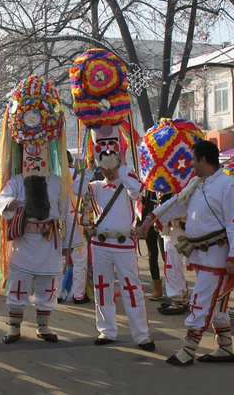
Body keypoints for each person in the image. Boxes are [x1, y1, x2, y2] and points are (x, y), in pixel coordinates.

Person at [136, 140, 234, 366]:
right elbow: (178, 204)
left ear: (203, 160)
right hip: (203, 255)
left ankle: (188, 350)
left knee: (200, 302)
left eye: (193, 160)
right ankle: (225, 348)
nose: (191, 165)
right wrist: (150, 218)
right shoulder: (198, 184)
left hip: (219, 258)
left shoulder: (229, 185)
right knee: (216, 305)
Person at [0, 75, 72, 345]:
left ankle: (43, 326)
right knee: (19, 284)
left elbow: (68, 213)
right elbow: (0, 200)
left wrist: (70, 245)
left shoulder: (56, 182)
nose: (34, 155)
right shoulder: (16, 181)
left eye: (39, 149)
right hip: (23, 241)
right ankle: (14, 328)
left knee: (48, 285)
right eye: (30, 150)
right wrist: (11, 204)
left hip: (49, 241)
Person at [75, 148, 155, 352]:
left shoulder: (127, 184)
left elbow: (137, 190)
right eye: (105, 168)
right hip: (101, 244)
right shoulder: (96, 186)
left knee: (132, 288)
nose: (108, 172)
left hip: (123, 243)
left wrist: (121, 168)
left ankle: (141, 334)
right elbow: (76, 189)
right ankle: (107, 330)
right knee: (102, 288)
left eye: (111, 168)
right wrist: (89, 167)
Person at [59, 150, 90, 304]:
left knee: (59, 258)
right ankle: (78, 294)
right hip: (77, 221)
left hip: (58, 222)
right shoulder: (79, 174)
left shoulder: (54, 176)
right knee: (80, 260)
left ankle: (56, 293)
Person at [155, 192, 189, 315]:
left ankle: (182, 298)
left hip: (183, 228)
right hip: (171, 230)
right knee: (171, 265)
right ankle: (178, 298)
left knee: (180, 264)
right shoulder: (162, 183)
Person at [140, 190, 164, 301]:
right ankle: (157, 289)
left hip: (164, 219)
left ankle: (179, 288)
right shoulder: (144, 179)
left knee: (167, 255)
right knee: (152, 254)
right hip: (147, 218)